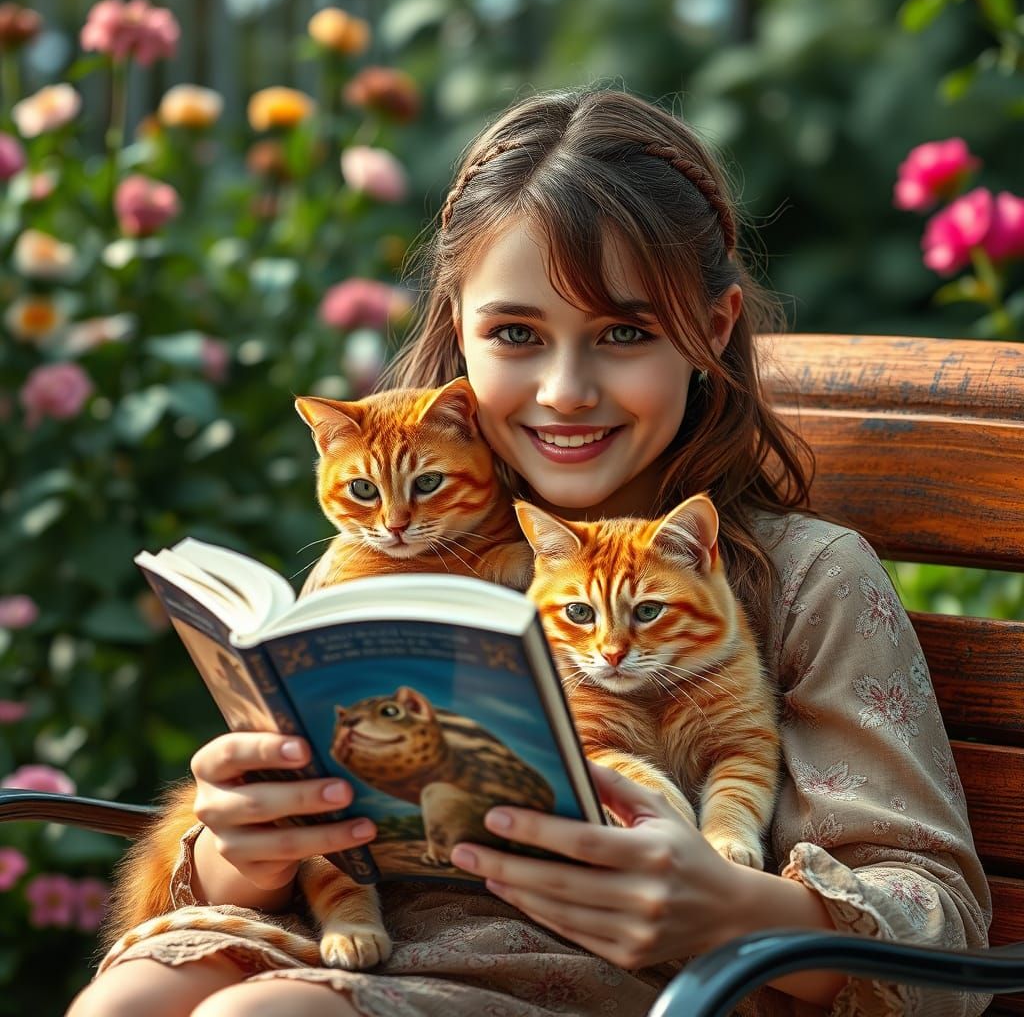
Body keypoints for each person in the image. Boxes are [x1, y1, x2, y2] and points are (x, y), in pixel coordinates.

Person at [67, 85, 991, 1017]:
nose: (565, 390)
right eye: (515, 334)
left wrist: (722, 909)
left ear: (711, 330)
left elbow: (938, 931)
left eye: (623, 333)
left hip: (618, 987)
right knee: (133, 1000)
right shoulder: (392, 556)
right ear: (458, 329)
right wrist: (246, 850)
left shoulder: (803, 579)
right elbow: (288, 859)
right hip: (364, 946)